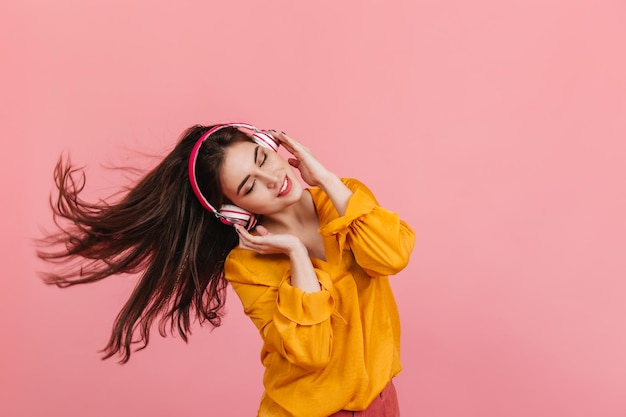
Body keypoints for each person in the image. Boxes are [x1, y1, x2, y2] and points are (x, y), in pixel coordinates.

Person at [37, 123, 415, 417]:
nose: (272, 180)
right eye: (250, 186)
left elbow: (391, 256)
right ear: (233, 210)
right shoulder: (247, 265)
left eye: (262, 159)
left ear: (273, 147)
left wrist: (327, 179)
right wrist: (297, 254)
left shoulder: (344, 200)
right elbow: (311, 353)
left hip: (381, 402)